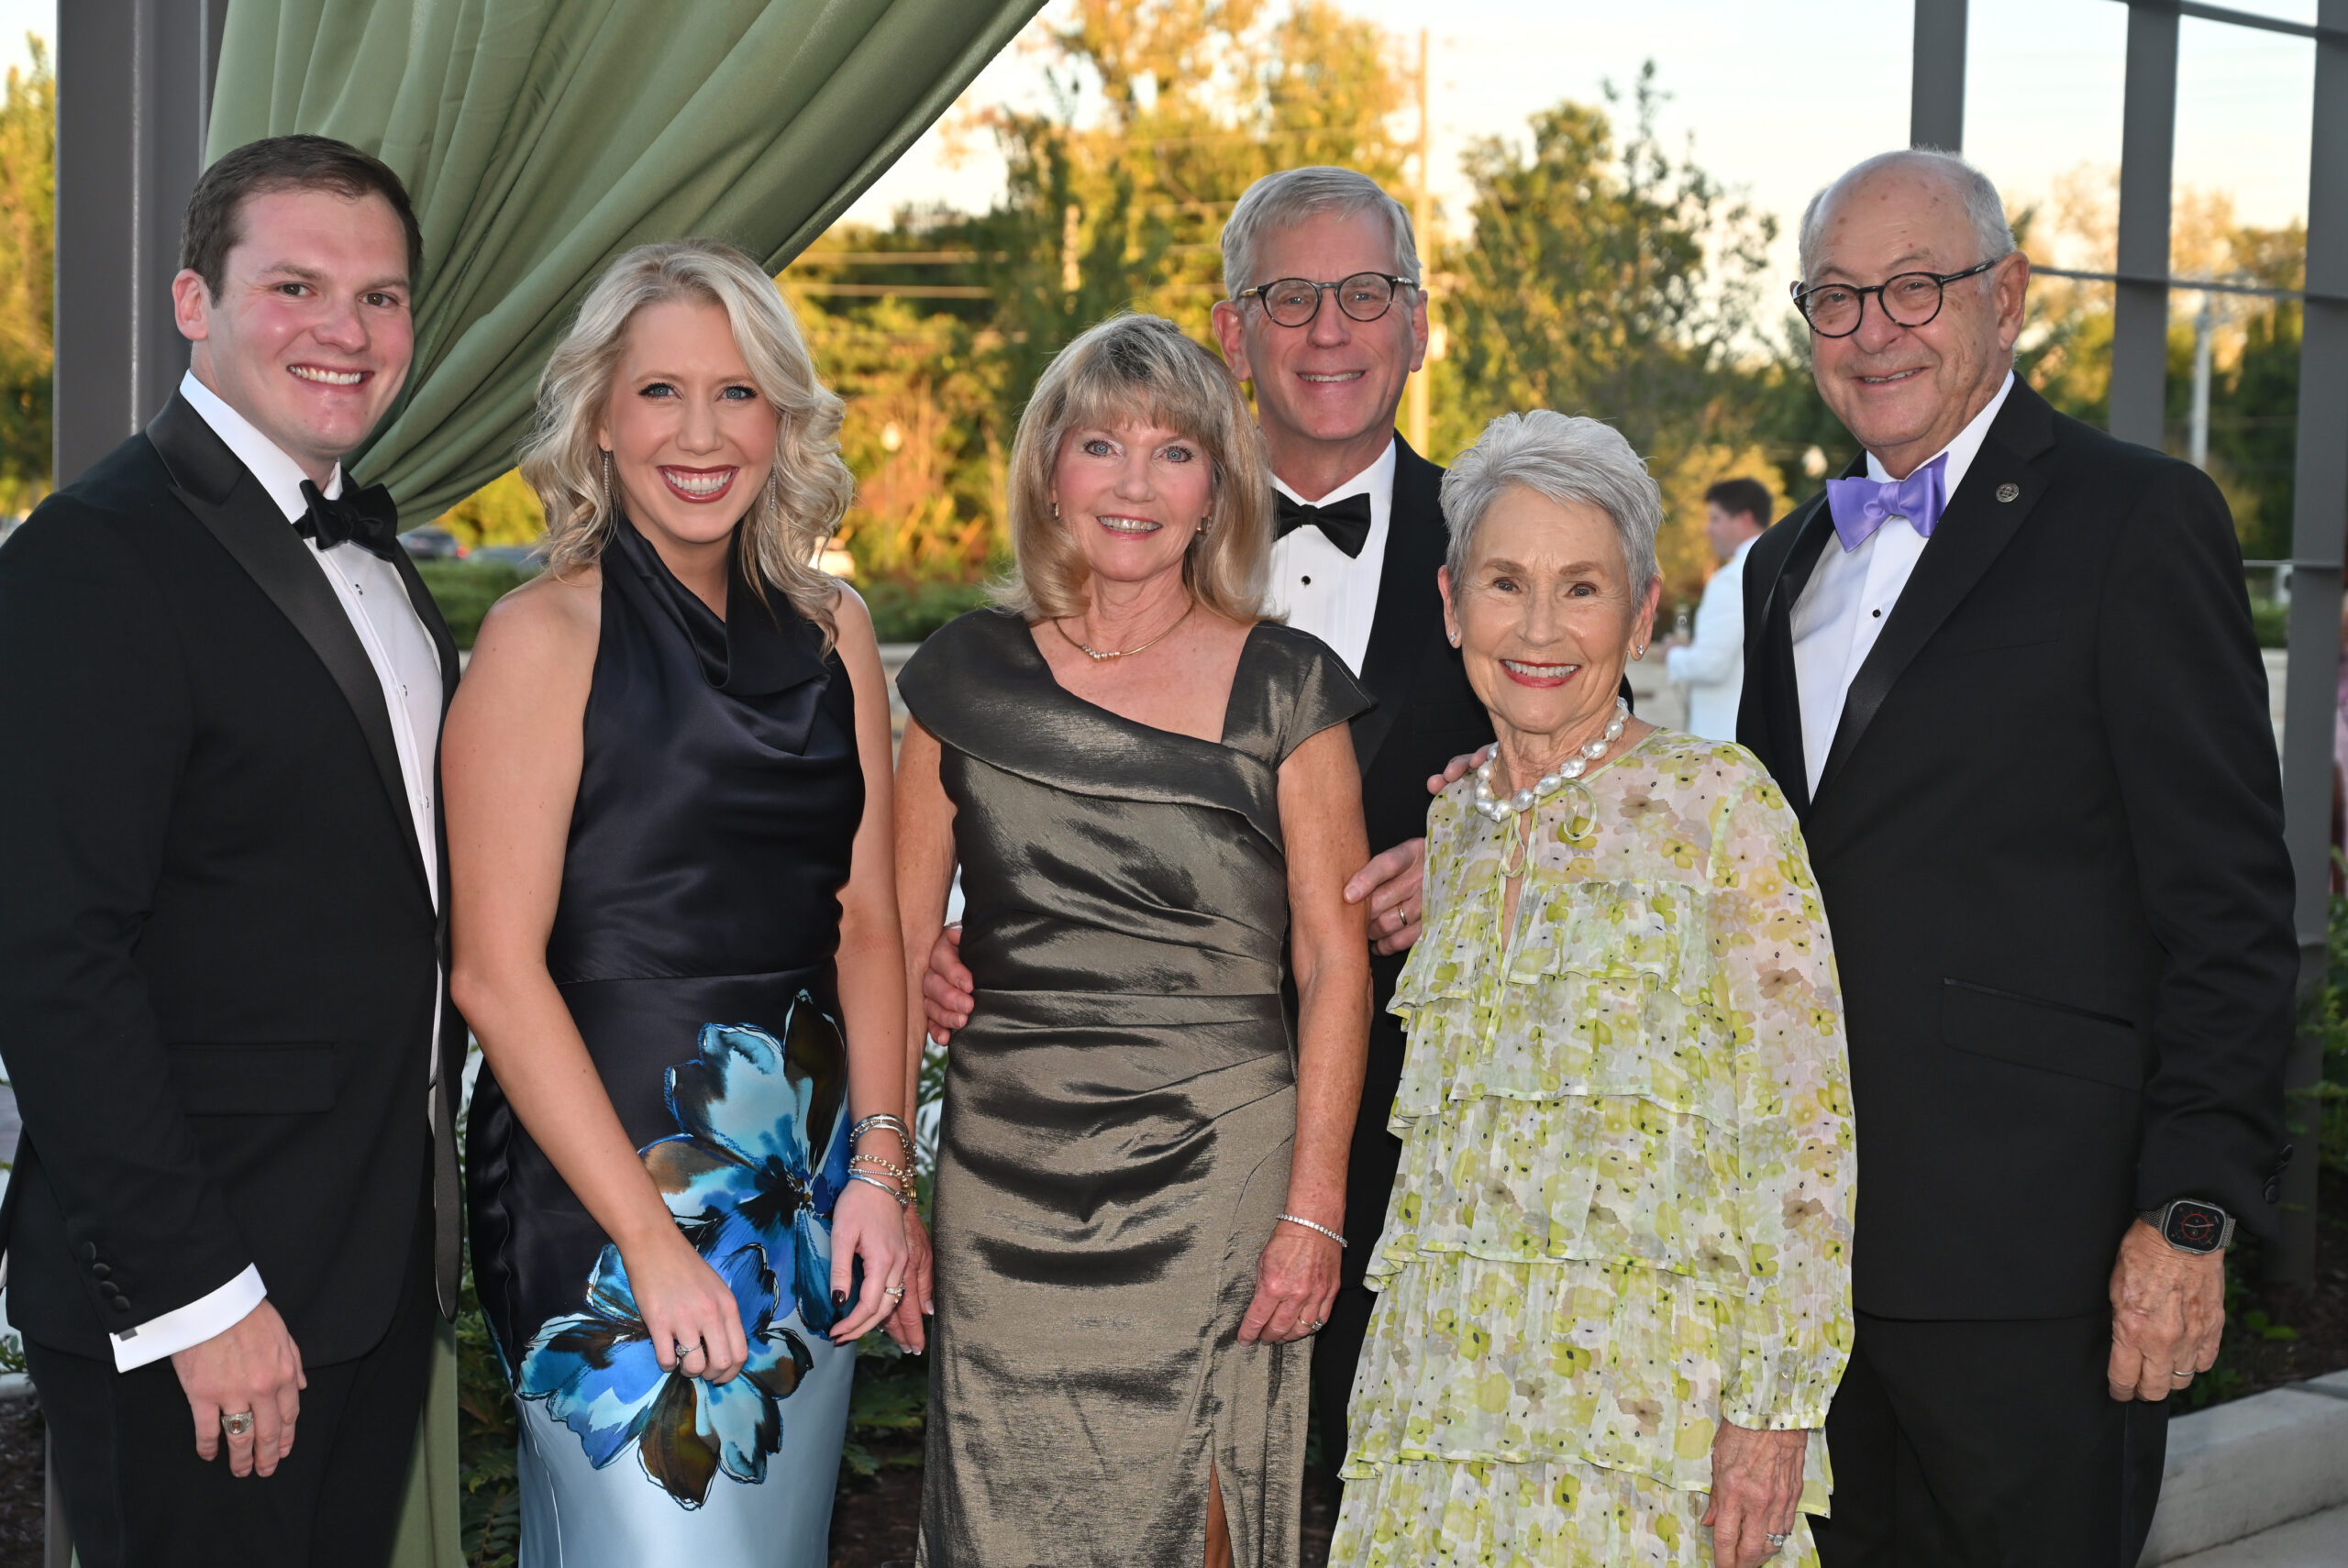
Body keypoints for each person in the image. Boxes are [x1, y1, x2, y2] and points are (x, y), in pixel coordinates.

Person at [1738, 149, 2296, 1564]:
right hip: (1805, 1270)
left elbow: (2227, 904)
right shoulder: (1781, 562)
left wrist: (2191, 1208)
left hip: (2043, 1275)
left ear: (2009, 297)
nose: (1873, 330)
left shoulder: (2136, 519)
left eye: (1913, 287)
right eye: (1836, 297)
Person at [920, 167, 1506, 1487]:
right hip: (1115, 1167)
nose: (1329, 329)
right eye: (1289, 296)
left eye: (1366, 293)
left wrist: (1481, 854)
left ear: (1416, 322)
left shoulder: (1508, 535)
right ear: (1232, 333)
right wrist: (983, 927)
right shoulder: (1084, 593)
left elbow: (1600, 793)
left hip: (1442, 1159)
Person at [0, 135, 458, 1564]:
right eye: (297, 286)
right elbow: (50, 957)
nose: (345, 330)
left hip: (366, 1270)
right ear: (194, 301)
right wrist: (200, 1297)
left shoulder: (383, 564)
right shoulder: (91, 555)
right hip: (205, 1297)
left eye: (380, 298)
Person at [448, 240, 914, 1564]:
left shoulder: (838, 629)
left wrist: (884, 1163)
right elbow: (491, 970)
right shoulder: (544, 638)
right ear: (599, 416)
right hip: (599, 1198)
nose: (700, 433)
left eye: (738, 392)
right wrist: (647, 1240)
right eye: (659, 392)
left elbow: (869, 921)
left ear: (784, 414)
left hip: (808, 1193)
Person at [1330, 409, 1855, 1568]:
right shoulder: (1453, 825)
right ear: (1451, 600)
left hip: (1652, 1427)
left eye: (1582, 588)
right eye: (1506, 582)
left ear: (1644, 610)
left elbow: (1803, 1136)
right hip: (1443, 1411)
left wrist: (1775, 1407)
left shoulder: (1722, 808)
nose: (1538, 627)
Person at [895, 313, 1373, 1566]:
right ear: (1050, 469)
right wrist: (884, 1175)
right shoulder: (962, 677)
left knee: (1198, 1524)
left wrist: (1315, 1208)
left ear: (1220, 483)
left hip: (1219, 1180)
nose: (1134, 483)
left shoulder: (1290, 687)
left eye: (1175, 452)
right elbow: (893, 936)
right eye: (1101, 444)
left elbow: (1333, 963)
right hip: (1005, 1186)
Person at [1665, 476, 1770, 740]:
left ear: (1744, 519)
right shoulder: (1781, 570)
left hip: (1724, 738)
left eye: (1715, 519)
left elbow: (1710, 665)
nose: (1707, 530)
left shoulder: (1732, 579)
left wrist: (1673, 654)